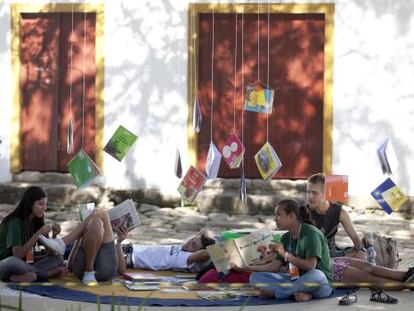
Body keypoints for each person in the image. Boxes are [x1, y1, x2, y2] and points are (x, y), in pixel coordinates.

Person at [234, 198, 333, 302]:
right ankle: (298, 293)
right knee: (255, 278)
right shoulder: (286, 238)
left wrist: (284, 254)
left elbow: (310, 265)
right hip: (297, 280)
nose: (275, 219)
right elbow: (274, 266)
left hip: (319, 284)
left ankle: (278, 293)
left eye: (278, 215)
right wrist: (246, 267)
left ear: (291, 216)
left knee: (317, 274)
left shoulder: (311, 233)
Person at [0, 186, 67, 282]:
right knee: (13, 262)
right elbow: (17, 255)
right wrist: (38, 234)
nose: (44, 208)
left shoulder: (37, 221)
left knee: (58, 258)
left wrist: (54, 235)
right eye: (41, 204)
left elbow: (50, 253)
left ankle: (19, 276)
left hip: (26, 264)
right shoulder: (14, 222)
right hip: (6, 263)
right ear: (30, 203)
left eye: (45, 204)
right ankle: (47, 274)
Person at [40, 208, 118, 285]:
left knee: (99, 215)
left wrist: (82, 228)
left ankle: (63, 243)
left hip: (82, 271)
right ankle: (63, 243)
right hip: (104, 269)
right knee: (100, 216)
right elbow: (69, 265)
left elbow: (70, 265)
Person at [306, 173, 365, 259]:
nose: (310, 196)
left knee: (363, 253)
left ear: (326, 194)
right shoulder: (303, 212)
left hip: (332, 251)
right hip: (312, 255)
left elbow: (355, 238)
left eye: (315, 193)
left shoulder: (340, 212)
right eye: (308, 192)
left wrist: (361, 251)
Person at [116, 228, 215, 274]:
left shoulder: (186, 259)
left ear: (197, 252)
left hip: (129, 259)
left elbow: (206, 253)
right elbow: (205, 230)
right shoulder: (182, 247)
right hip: (131, 248)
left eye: (193, 245)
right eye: (192, 239)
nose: (189, 242)